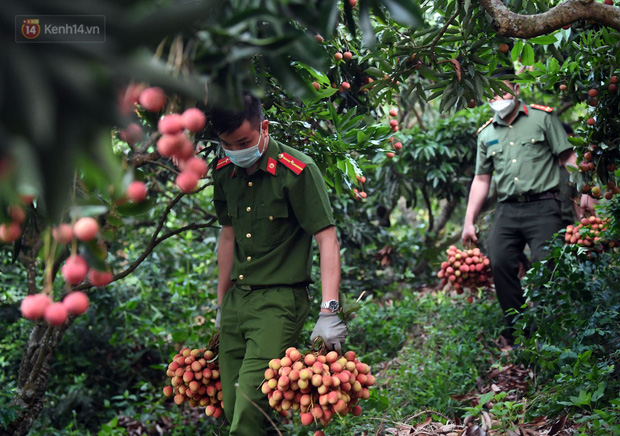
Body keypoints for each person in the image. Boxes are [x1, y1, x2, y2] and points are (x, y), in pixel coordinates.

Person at [209, 92, 347, 435]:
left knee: (247, 415)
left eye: (242, 141)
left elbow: (326, 237)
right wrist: (220, 303)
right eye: (227, 144)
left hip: (279, 303)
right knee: (231, 406)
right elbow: (228, 236)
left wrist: (329, 311)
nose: (236, 150)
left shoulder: (297, 170)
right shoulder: (224, 170)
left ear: (264, 128)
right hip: (238, 301)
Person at [461, 68, 596, 344]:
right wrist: (468, 219)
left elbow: (569, 157)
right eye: (492, 92)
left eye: (503, 90)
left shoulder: (542, 118)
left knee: (546, 264)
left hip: (544, 205)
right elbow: (481, 179)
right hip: (508, 209)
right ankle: (518, 333)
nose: (498, 97)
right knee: (499, 261)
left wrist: (586, 191)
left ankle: (552, 332)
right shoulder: (486, 134)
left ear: (516, 90)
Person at [558, 122, 581, 227]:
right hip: (544, 222)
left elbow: (577, 201)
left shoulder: (573, 169)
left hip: (567, 225)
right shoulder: (543, 167)